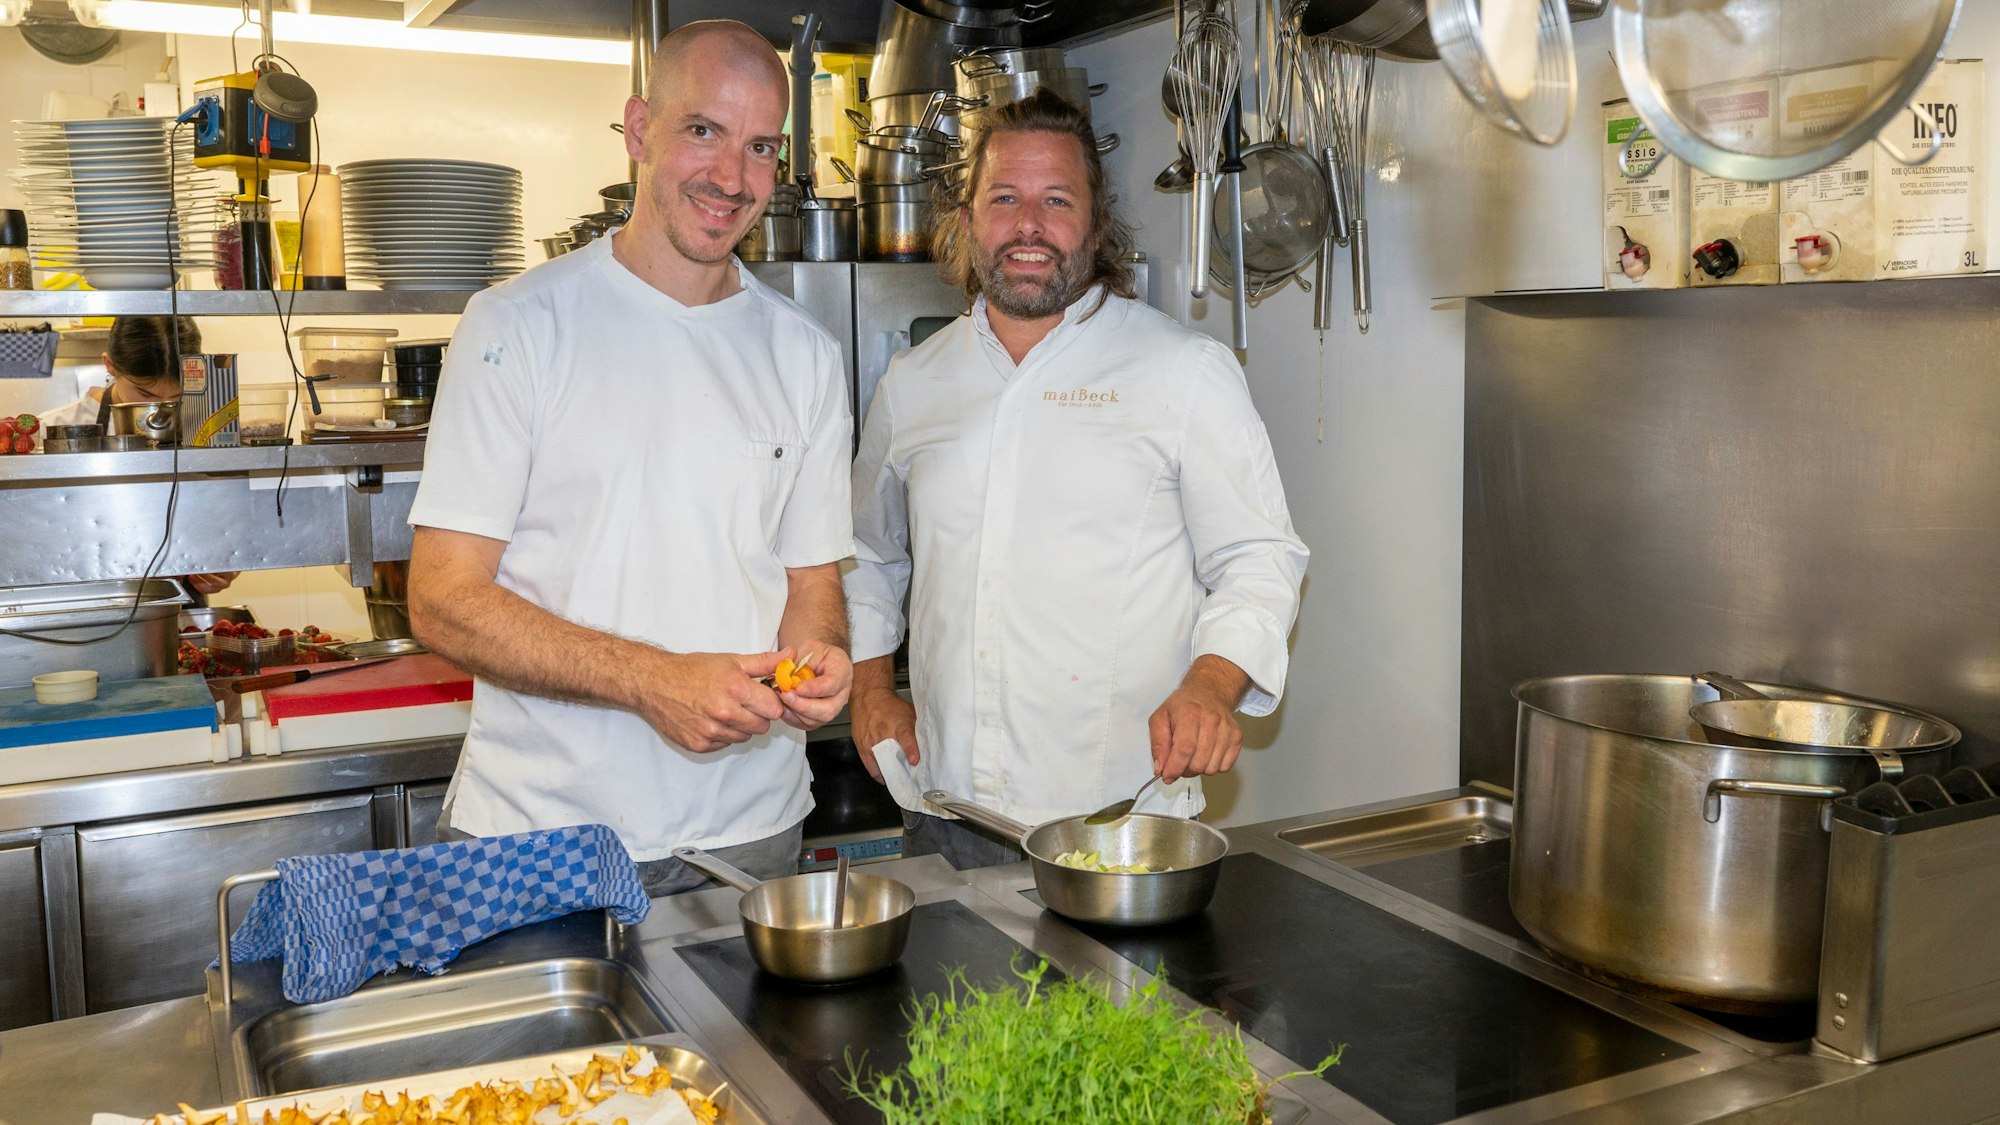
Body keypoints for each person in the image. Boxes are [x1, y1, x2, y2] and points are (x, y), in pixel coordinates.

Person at [404, 20, 855, 896]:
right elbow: (443, 598)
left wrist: (823, 655)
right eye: (703, 130)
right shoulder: (517, 326)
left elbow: (812, 579)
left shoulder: (805, 354)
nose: (732, 177)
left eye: (761, 147)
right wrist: (653, 681)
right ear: (640, 129)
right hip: (542, 837)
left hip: (752, 834)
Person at [845, 90, 1309, 869]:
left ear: (1096, 226)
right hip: (943, 809)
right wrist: (869, 689)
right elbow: (867, 553)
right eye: (1004, 198)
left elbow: (1259, 558)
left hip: (1120, 823)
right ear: (967, 219)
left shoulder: (1184, 371)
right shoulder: (912, 383)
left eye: (1056, 200)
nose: (1028, 225)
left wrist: (1211, 684)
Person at [42, 315, 235, 598]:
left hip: (177, 597)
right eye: (144, 393)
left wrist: (226, 559)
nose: (160, 409)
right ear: (110, 365)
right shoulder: (54, 430)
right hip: (87, 596)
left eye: (176, 397)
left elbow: (225, 512)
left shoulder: (208, 427)